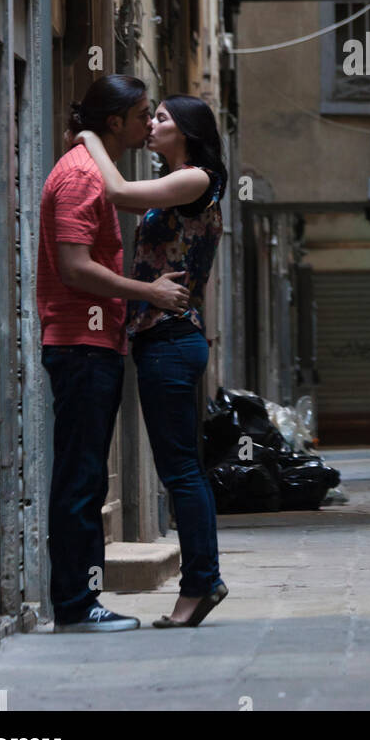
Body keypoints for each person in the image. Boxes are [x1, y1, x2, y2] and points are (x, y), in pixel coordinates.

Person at [37, 75, 190, 632]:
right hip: (80, 343)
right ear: (115, 123)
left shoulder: (88, 166)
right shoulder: (80, 176)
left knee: (85, 479)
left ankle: (81, 601)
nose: (149, 124)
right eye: (143, 115)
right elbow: (75, 267)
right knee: (80, 479)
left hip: (91, 342)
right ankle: (77, 606)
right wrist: (148, 291)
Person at [75, 94, 228, 628]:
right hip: (160, 338)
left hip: (170, 338)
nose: (152, 124)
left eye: (161, 118)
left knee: (182, 470)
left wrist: (90, 136)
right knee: (181, 468)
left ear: (186, 130)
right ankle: (203, 580)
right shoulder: (178, 184)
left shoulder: (195, 179)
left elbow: (117, 192)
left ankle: (202, 582)